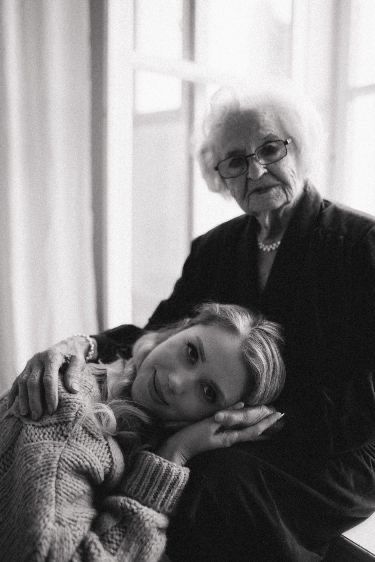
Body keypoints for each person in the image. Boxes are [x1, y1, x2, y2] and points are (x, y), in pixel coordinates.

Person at [10, 84, 375, 560]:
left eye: (269, 149)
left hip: (340, 447)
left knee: (214, 482)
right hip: (227, 424)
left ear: (299, 148)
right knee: (139, 458)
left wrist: (275, 422)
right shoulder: (215, 248)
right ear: (221, 177)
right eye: (236, 161)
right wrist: (81, 345)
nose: (256, 169)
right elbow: (159, 331)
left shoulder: (361, 243)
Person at [0, 303, 285, 562]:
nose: (176, 382)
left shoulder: (121, 416)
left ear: (219, 419)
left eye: (208, 392)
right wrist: (173, 456)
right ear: (178, 330)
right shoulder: (74, 415)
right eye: (191, 352)